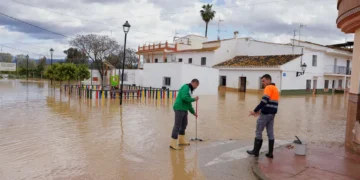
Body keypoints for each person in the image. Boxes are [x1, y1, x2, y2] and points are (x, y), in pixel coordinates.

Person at [247, 74, 279, 158]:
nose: (262, 83)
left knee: (258, 131)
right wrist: (260, 111)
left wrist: (255, 110)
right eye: (261, 81)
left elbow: (264, 101)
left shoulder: (268, 88)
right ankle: (270, 153)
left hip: (265, 114)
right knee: (270, 133)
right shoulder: (275, 88)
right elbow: (271, 103)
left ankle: (255, 151)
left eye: (263, 81)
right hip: (272, 114)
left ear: (269, 80)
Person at [170, 79, 199, 150]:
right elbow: (184, 98)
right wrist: (194, 99)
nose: (196, 87)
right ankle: (173, 143)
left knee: (184, 125)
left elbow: (188, 104)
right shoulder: (186, 87)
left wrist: (194, 113)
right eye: (196, 85)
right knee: (177, 126)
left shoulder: (190, 90)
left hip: (184, 109)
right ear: (193, 83)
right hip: (179, 108)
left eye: (197, 86)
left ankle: (181, 140)